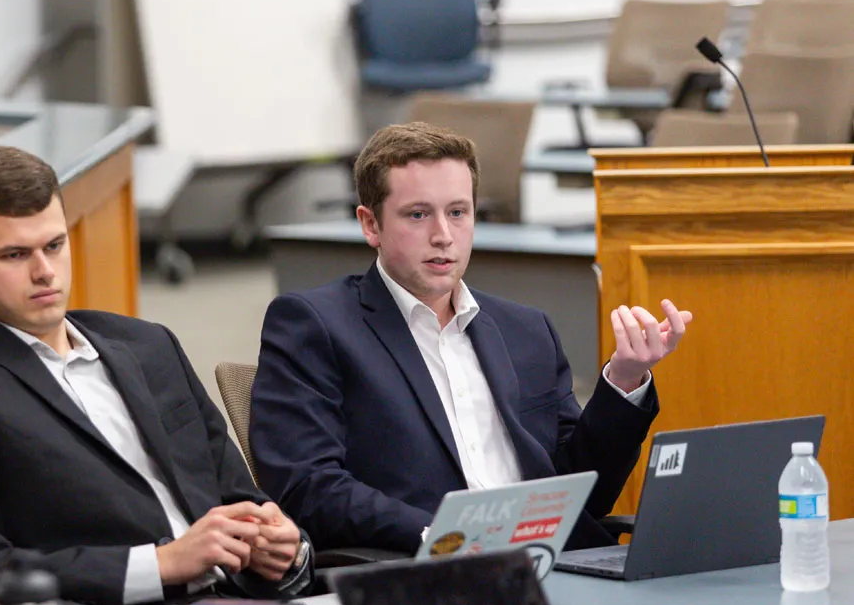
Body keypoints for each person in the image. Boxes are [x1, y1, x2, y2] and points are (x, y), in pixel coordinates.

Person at [0, 146, 312, 605]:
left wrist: (283, 549)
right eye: (14, 256)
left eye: (55, 246)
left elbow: (237, 498)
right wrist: (161, 564)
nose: (44, 272)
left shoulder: (148, 345)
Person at [250, 122, 692, 555]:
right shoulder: (315, 325)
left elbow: (583, 491)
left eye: (457, 212)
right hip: (425, 572)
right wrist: (448, 536)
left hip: (555, 566)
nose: (443, 235)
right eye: (418, 215)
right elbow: (308, 486)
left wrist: (625, 379)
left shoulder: (527, 330)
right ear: (371, 225)